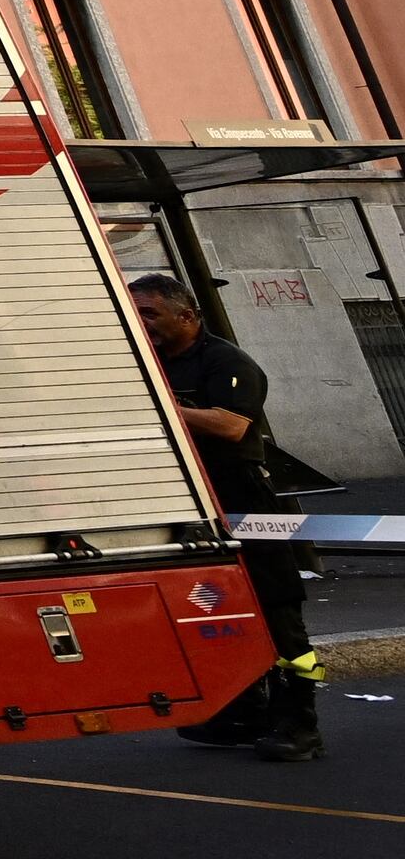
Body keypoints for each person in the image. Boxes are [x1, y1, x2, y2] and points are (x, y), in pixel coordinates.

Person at [133, 275, 321, 761]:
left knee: (278, 612)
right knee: (215, 608)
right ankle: (244, 714)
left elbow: (232, 426)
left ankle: (300, 725)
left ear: (187, 316)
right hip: (192, 500)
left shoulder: (226, 361)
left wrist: (165, 408)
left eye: (150, 314)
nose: (142, 323)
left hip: (244, 498)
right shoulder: (152, 361)